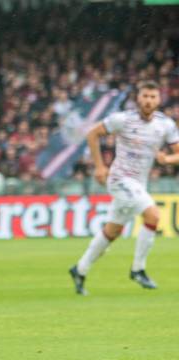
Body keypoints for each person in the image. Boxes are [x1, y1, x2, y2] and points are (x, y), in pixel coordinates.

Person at [69, 80, 179, 296]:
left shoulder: (165, 125)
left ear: (159, 99)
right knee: (153, 215)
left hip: (139, 183)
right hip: (120, 180)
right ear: (138, 98)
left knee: (113, 231)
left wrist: (167, 160)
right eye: (145, 96)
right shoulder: (123, 119)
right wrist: (100, 167)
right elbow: (92, 134)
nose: (148, 101)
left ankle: (79, 269)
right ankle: (138, 269)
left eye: (152, 97)